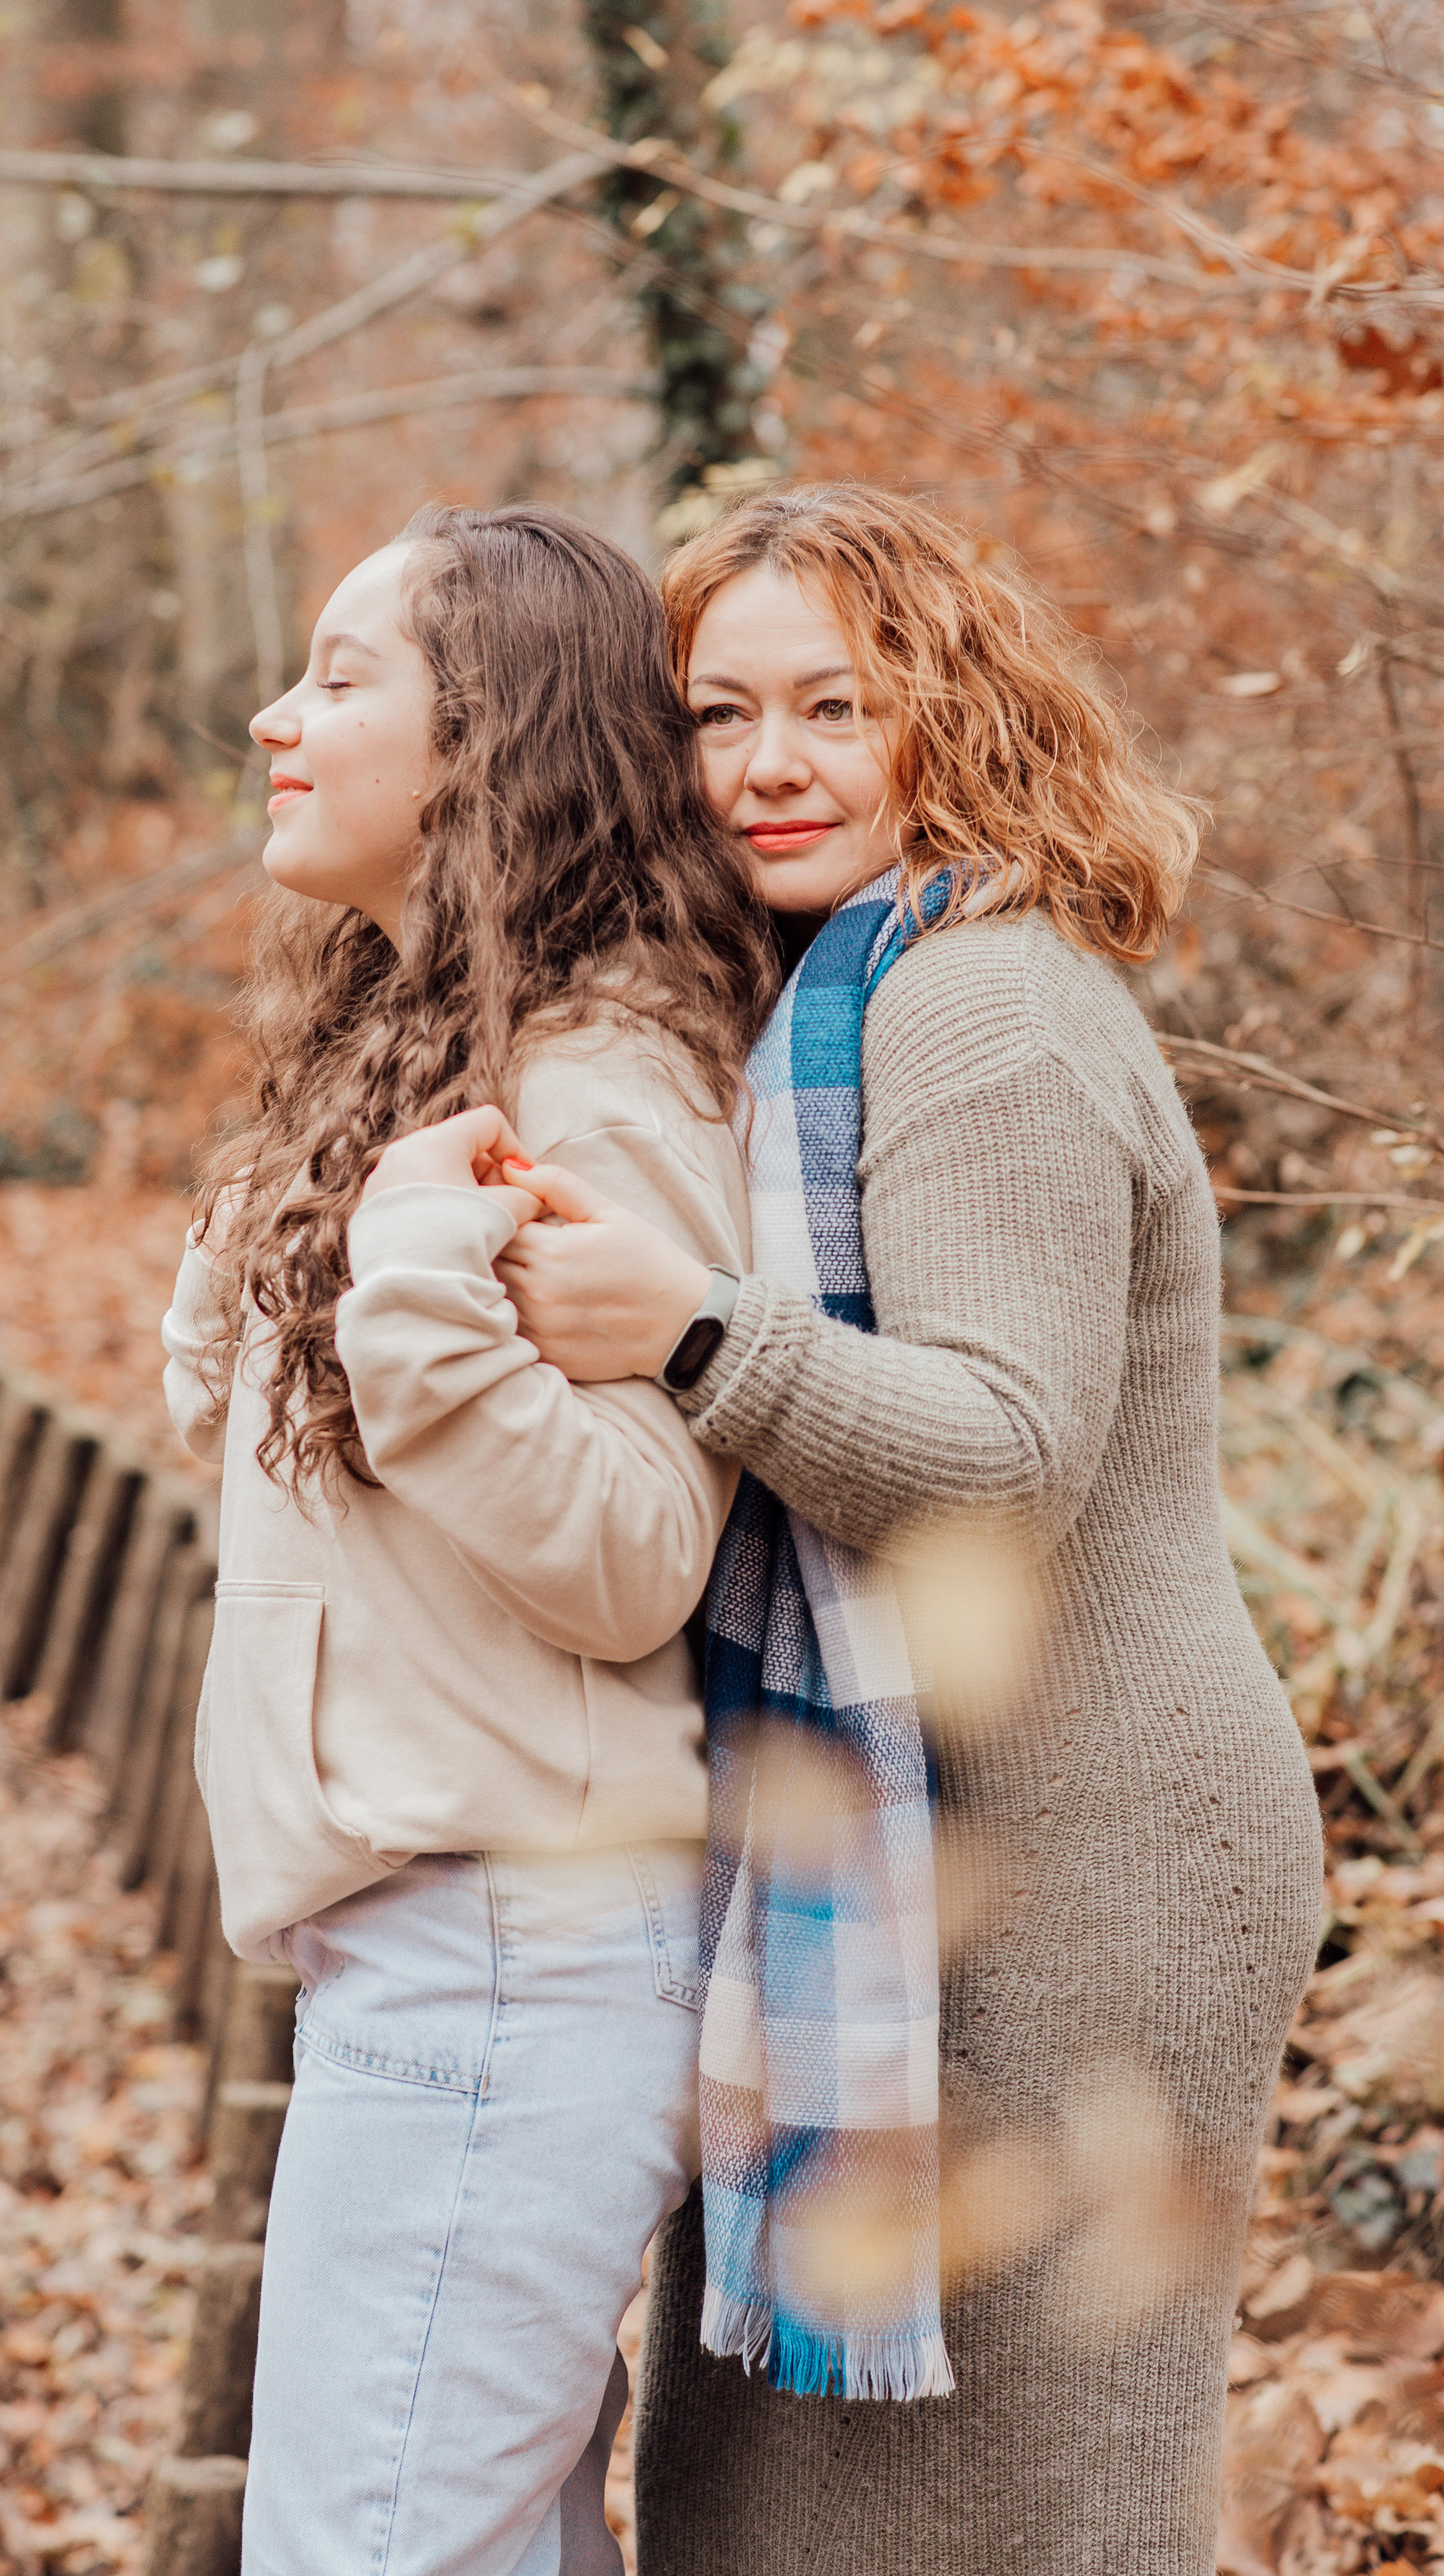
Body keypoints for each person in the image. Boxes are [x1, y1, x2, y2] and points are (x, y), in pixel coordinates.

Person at [492, 484, 1325, 2576]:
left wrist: (691, 1332)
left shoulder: (979, 1004)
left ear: (954, 718)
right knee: (788, 2502)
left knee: (1034, 2508)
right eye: (718, 714)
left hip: (1094, 1860)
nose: (766, 765)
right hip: (925, 1837)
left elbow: (1003, 1457)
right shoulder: (824, 1001)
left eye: (836, 707)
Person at [159, 503, 777, 2576]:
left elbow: (634, 1553)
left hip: (511, 1948)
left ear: (485, 740)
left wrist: (405, 1297)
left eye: (343, 679)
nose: (277, 718)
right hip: (438, 1943)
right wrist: (285, 1242)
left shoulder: (600, 1076)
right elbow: (316, 1473)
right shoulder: (436, 1048)